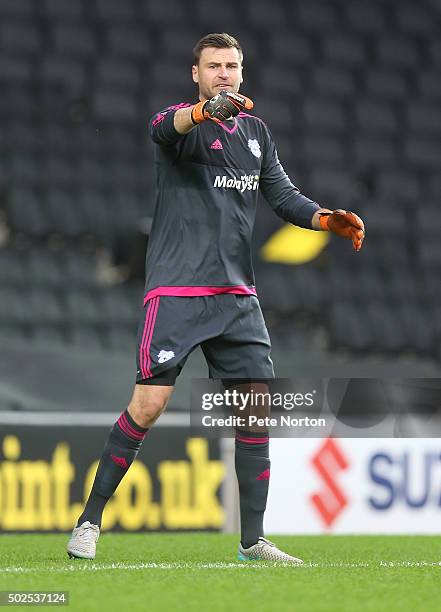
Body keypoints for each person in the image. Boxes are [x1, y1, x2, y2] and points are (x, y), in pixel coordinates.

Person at [67, 32, 364, 563]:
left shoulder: (256, 134)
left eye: (232, 65)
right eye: (213, 66)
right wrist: (205, 112)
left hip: (237, 298)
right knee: (149, 404)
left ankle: (253, 541)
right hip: (178, 292)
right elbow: (162, 127)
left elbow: (282, 196)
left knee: (255, 412)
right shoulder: (182, 124)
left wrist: (324, 219)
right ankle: (89, 521)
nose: (224, 72)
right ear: (196, 74)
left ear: (243, 73)